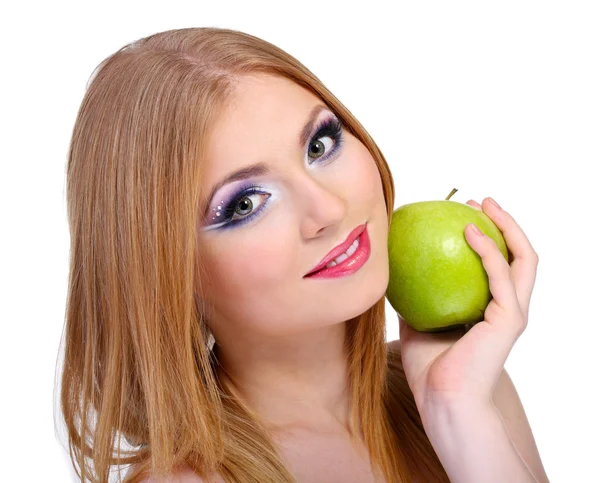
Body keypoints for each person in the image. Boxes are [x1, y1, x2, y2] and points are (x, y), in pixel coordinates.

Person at [58, 27, 549, 483]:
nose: (329, 210)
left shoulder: (469, 387)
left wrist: (458, 412)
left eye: (320, 143)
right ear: (164, 271)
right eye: (245, 203)